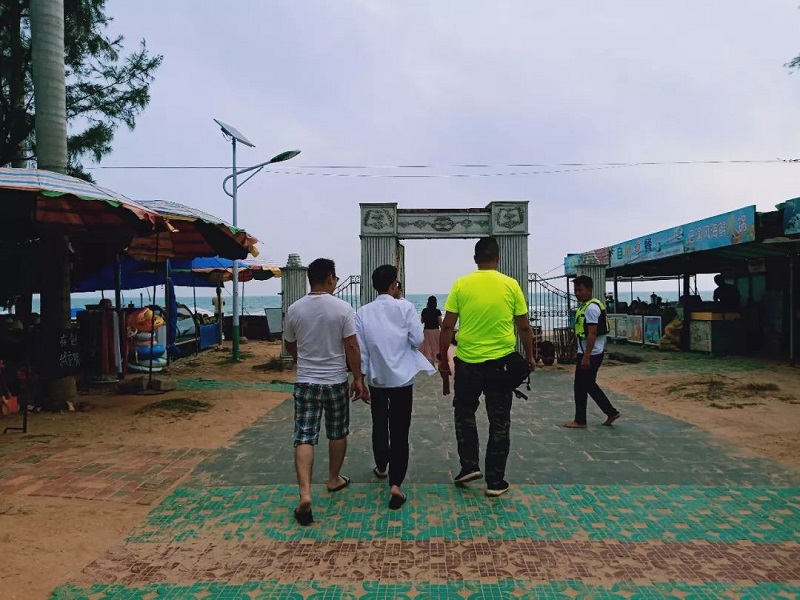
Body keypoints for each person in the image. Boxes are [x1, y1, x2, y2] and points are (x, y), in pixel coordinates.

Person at [438, 237, 535, 497]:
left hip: (468, 363)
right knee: (499, 420)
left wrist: (442, 359)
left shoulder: (461, 284)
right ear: (498, 258)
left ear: (475, 259)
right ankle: (495, 481)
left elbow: (447, 326)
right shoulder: (511, 285)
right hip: (501, 365)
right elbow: (524, 327)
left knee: (464, 413)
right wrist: (530, 356)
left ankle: (469, 465)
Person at [283, 258, 368, 526]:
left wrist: (301, 360)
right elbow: (352, 346)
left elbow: (289, 343)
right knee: (337, 431)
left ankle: (305, 493)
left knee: (304, 436)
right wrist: (358, 378)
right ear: (330, 277)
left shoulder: (295, 309)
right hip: (335, 381)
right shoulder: (343, 309)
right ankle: (333, 478)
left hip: (306, 382)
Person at [356, 265, 435, 510]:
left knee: (380, 424)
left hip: (377, 379)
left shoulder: (362, 312)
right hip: (402, 379)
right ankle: (396, 484)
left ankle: (382, 466)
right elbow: (417, 339)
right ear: (393, 285)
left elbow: (361, 351)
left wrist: (360, 378)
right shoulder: (406, 308)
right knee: (400, 430)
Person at [564, 275, 620, 429]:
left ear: (589, 289)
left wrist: (586, 356)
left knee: (583, 386)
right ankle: (608, 413)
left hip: (591, 354)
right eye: (575, 290)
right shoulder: (587, 306)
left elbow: (592, 333)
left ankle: (583, 419)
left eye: (580, 290)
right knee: (585, 385)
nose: (577, 293)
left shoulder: (591, 308)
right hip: (588, 352)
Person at [420, 295, 443, 365]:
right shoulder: (437, 311)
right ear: (435, 302)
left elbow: (422, 321)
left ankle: (431, 363)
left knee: (428, 347)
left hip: (427, 331)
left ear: (428, 302)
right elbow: (440, 323)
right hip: (435, 331)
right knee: (436, 347)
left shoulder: (424, 310)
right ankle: (438, 362)